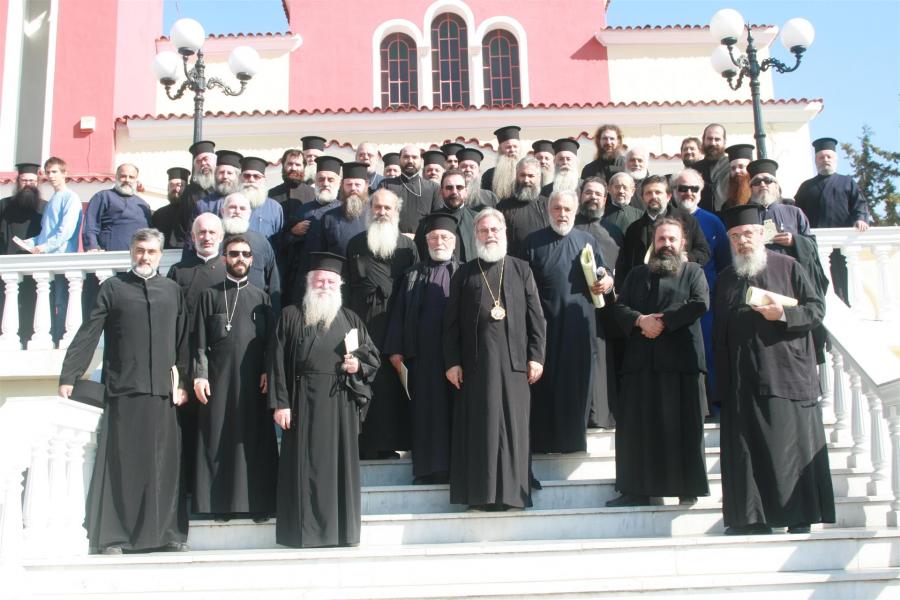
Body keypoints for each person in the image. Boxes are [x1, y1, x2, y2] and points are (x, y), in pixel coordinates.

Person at [58, 228, 189, 554]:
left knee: (163, 467)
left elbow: (183, 341)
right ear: (132, 251)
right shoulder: (113, 288)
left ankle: (166, 535)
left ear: (160, 255)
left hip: (163, 393)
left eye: (151, 251)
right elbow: (89, 332)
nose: (145, 256)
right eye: (140, 250)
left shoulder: (172, 291)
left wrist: (184, 383)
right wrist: (69, 375)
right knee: (122, 465)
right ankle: (114, 538)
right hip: (124, 389)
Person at [714, 204, 835, 535]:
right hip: (741, 380)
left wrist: (782, 314)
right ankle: (750, 520)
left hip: (784, 374)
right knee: (745, 453)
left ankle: (797, 517)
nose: (742, 241)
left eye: (747, 234)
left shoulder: (788, 266)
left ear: (761, 234)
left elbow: (816, 309)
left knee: (788, 450)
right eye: (735, 236)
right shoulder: (725, 279)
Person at [268, 252, 380, 548]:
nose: (325, 286)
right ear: (309, 283)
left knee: (338, 469)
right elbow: (276, 362)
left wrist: (358, 366)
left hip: (340, 403)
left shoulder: (350, 319)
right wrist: (281, 403)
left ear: (339, 285)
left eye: (331, 282)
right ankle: (301, 533)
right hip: (301, 402)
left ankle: (340, 532)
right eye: (319, 281)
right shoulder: (290, 316)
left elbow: (372, 358)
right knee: (302, 468)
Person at [443, 208, 547, 511]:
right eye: (483, 230)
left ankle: (513, 494)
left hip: (515, 365)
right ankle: (481, 495)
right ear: (475, 235)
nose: (490, 235)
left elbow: (536, 317)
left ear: (504, 233)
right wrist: (452, 362)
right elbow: (450, 324)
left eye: (494, 230)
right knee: (482, 428)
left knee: (513, 428)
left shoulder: (521, 269)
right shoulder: (464, 273)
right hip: (475, 366)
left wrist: (537, 356)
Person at [607, 218, 710, 507]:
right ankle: (635, 491)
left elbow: (700, 302)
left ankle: (686, 488)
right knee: (637, 430)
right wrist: (640, 320)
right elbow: (620, 307)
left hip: (680, 364)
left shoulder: (693, 272)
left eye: (672, 239)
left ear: (682, 243)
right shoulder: (637, 274)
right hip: (641, 365)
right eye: (661, 239)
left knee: (682, 428)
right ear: (654, 243)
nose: (666, 244)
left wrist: (663, 322)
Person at [191, 235, 277, 521]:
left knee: (254, 440)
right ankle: (220, 507)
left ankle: (258, 506)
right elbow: (199, 342)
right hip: (217, 382)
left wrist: (267, 370)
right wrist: (200, 375)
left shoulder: (262, 299)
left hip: (253, 382)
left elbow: (270, 343)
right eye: (234, 253)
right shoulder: (208, 296)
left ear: (251, 260)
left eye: (245, 254)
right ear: (224, 258)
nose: (240, 258)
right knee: (218, 440)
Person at [524, 190, 613, 453]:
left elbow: (603, 271)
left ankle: (573, 442)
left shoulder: (587, 241)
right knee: (544, 383)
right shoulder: (532, 242)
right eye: (557, 208)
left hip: (579, 325)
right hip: (544, 326)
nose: (562, 214)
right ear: (548, 210)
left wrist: (607, 281)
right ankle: (543, 443)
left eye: (567, 209)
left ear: (575, 212)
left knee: (576, 382)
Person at [385, 213, 459, 484]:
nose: (439, 242)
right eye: (434, 237)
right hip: (422, 359)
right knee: (425, 415)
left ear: (454, 241)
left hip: (455, 360)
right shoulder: (412, 275)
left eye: (445, 237)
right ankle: (427, 471)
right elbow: (399, 313)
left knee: (455, 413)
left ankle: (456, 469)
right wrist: (395, 351)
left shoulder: (464, 273)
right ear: (426, 242)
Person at [345, 188, 418, 459]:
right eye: (377, 207)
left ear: (396, 212)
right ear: (370, 209)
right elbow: (347, 288)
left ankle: (390, 445)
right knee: (365, 382)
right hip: (362, 325)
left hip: (396, 325)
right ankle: (364, 445)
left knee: (391, 387)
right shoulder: (355, 244)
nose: (382, 212)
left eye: (388, 208)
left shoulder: (407, 247)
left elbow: (414, 288)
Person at [672, 168, 731, 413]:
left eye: (693, 188)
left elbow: (725, 262)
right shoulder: (666, 220)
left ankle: (713, 407)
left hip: (706, 302)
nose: (688, 193)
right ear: (673, 192)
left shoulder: (713, 222)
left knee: (708, 353)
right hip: (673, 301)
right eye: (682, 188)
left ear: (701, 191)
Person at [795, 137, 870, 305]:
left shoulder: (847, 182)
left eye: (828, 156)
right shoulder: (806, 187)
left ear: (835, 159)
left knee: (845, 281)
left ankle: (847, 306)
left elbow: (859, 204)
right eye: (821, 157)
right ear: (816, 160)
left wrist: (860, 219)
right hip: (815, 246)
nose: (825, 160)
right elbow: (797, 213)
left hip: (842, 244)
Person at [574, 177, 622, 428]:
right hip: (575, 307)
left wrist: (611, 281)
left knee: (604, 362)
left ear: (605, 199)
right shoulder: (570, 227)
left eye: (598, 194)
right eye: (588, 192)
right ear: (580, 195)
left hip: (606, 310)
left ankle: (602, 416)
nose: (593, 197)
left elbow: (623, 269)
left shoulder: (614, 231)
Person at [20, 157, 82, 343]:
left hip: (62, 259)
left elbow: (66, 231)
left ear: (64, 173)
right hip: (48, 260)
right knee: (48, 302)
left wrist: (44, 247)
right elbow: (46, 233)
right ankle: (53, 338)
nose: (51, 175)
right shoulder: (52, 200)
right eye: (48, 172)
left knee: (61, 302)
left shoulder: (70, 198)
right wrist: (30, 243)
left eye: (55, 171)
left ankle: (62, 340)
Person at [618, 175, 710, 287]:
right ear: (642, 198)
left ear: (668, 196)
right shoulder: (634, 229)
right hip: (645, 288)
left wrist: (686, 258)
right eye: (649, 193)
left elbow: (704, 251)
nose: (653, 196)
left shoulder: (687, 221)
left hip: (679, 285)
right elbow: (626, 265)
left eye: (658, 192)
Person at [285, 155, 343, 302]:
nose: (325, 183)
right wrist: (293, 233)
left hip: (330, 280)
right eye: (321, 179)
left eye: (330, 180)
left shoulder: (344, 211)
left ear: (338, 183)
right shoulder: (303, 210)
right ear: (315, 182)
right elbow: (286, 243)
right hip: (303, 276)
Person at [0, 162, 43, 344]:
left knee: (32, 304)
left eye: (32, 181)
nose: (28, 184)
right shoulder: (4, 205)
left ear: (38, 182)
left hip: (35, 267)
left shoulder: (45, 207)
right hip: (7, 266)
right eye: (24, 180)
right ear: (18, 181)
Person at [220, 193, 281, 312]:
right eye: (232, 207)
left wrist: (274, 315)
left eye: (242, 208)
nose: (237, 211)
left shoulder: (261, 242)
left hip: (255, 310)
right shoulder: (213, 240)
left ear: (249, 214)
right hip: (221, 308)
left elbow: (273, 282)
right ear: (223, 211)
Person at [306, 162, 370, 258]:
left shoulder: (375, 215)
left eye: (357, 184)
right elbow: (320, 252)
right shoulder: (328, 217)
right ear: (342, 185)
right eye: (349, 184)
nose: (353, 188)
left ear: (366, 186)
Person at [83, 163, 151, 251]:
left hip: (139, 255)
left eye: (131, 177)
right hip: (110, 255)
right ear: (116, 177)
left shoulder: (144, 204)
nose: (127, 180)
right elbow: (90, 226)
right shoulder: (103, 197)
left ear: (136, 180)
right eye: (123, 176)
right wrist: (92, 247)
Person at [416, 169, 477, 262]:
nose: (454, 192)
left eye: (459, 187)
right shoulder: (427, 222)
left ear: (466, 191)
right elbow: (419, 257)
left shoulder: (478, 220)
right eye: (449, 188)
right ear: (441, 192)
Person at [496, 156, 549, 259]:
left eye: (531, 176)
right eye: (522, 175)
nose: (526, 180)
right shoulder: (503, 207)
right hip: (514, 264)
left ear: (539, 178)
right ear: (517, 176)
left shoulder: (549, 205)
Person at [379, 144, 439, 234]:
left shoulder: (433, 188)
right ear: (399, 160)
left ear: (421, 160)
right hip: (393, 239)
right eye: (406, 157)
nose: (410, 161)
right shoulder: (385, 185)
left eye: (414, 157)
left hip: (423, 241)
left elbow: (437, 220)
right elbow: (380, 216)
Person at [240, 155, 284, 251]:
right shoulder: (229, 204)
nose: (251, 180)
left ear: (264, 179)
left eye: (256, 176)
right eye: (247, 176)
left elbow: (279, 241)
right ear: (240, 178)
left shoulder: (275, 208)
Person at [152, 167, 191, 249]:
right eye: (172, 185)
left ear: (186, 188)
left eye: (179, 185)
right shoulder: (158, 214)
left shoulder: (192, 211)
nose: (175, 189)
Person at [695, 124, 730, 213]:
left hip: (728, 216)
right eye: (709, 139)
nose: (713, 143)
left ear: (724, 141)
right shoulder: (694, 169)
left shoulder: (733, 166)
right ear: (703, 140)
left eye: (717, 139)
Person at [481, 125, 522, 199]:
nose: (512, 150)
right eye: (508, 147)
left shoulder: (528, 174)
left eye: (515, 146)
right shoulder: (489, 175)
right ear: (500, 150)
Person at [603, 172, 643, 237]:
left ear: (632, 191)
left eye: (625, 188)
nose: (621, 191)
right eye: (617, 187)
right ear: (609, 189)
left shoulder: (641, 216)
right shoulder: (601, 214)